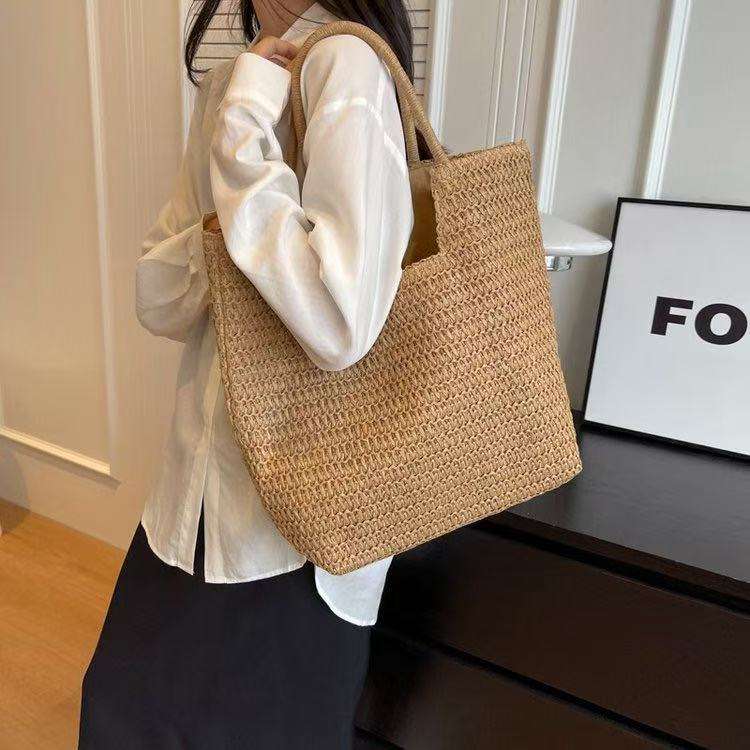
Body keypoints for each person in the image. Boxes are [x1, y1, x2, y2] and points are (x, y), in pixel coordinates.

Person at [79, 1, 415, 747]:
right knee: (119, 713)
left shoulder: (346, 66)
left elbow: (338, 323)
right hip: (195, 496)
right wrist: (228, 214)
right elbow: (159, 299)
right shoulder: (238, 81)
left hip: (300, 526)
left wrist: (242, 138)